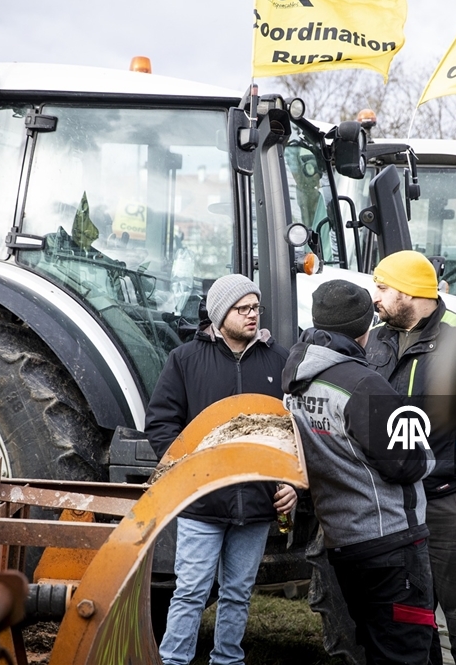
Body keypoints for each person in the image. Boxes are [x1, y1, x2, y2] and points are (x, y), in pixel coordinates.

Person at [146, 273, 297, 665]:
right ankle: (174, 661)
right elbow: (161, 424)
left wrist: (292, 483)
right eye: (242, 308)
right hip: (203, 504)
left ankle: (228, 660)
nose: (252, 315)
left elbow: (294, 431)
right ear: (219, 314)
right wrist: (188, 472)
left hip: (258, 504)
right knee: (190, 592)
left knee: (238, 594)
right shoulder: (185, 360)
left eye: (255, 307)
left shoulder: (279, 360)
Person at [282, 279, 436, 665]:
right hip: (390, 543)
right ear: (365, 327)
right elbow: (408, 463)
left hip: (343, 543)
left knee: (377, 645)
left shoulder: (295, 383)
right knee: (405, 650)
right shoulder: (363, 384)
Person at [366, 250, 456, 665]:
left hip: (448, 508)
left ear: (410, 291)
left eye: (383, 287)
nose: (375, 296)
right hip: (393, 509)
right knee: (409, 623)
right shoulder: (373, 342)